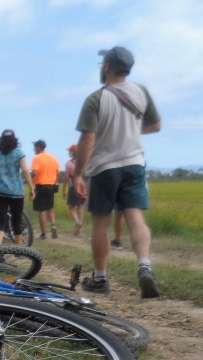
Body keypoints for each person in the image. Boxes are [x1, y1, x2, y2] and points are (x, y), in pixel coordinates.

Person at [73, 46, 161, 298]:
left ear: (108, 67)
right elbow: (154, 125)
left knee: (101, 223)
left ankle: (100, 278)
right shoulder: (141, 92)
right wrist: (130, 130)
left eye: (103, 64)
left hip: (104, 167)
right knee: (135, 218)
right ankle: (144, 265)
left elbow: (87, 140)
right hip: (134, 164)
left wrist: (78, 175)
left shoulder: (96, 99)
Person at [29, 140, 60, 240]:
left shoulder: (37, 158)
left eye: (34, 147)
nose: (33, 149)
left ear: (38, 147)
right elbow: (57, 172)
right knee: (50, 208)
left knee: (42, 210)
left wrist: (30, 182)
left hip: (40, 186)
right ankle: (53, 225)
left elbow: (34, 172)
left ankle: (43, 234)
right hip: (51, 186)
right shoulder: (53, 157)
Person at [62, 144, 85, 236]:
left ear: (72, 152)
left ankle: (77, 223)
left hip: (73, 187)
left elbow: (66, 177)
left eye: (69, 151)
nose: (68, 153)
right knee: (80, 208)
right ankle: (80, 230)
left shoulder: (69, 163)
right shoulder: (83, 162)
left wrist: (63, 189)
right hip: (82, 187)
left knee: (71, 208)